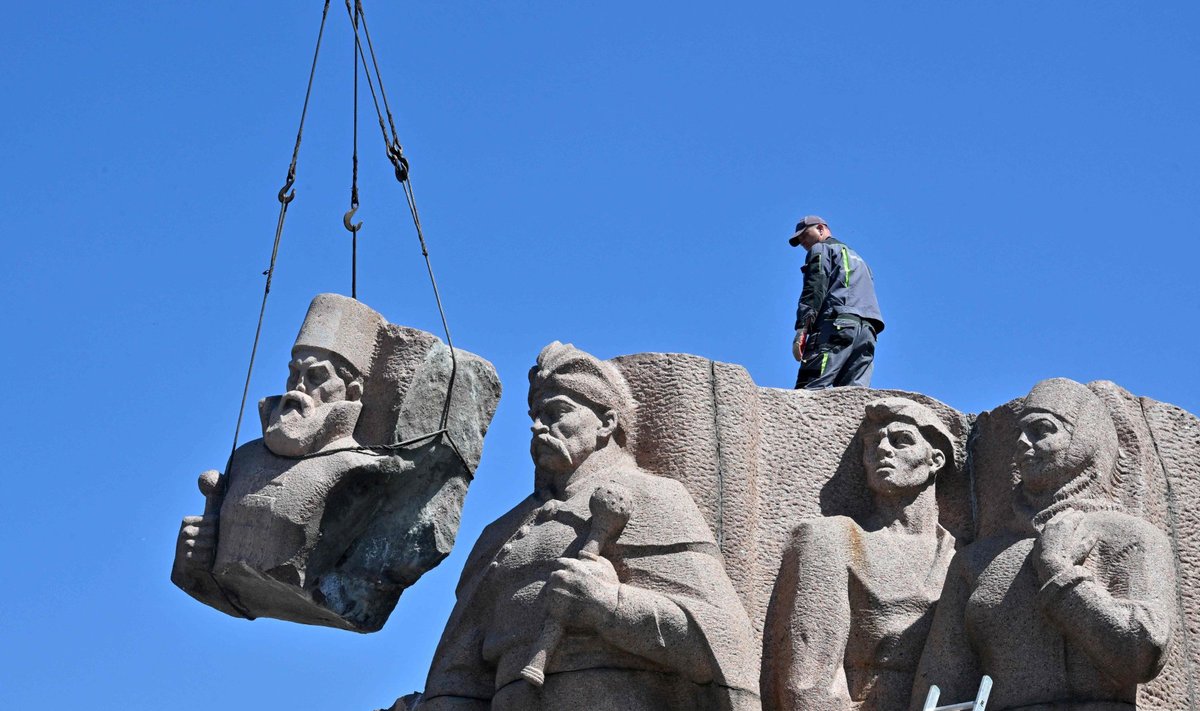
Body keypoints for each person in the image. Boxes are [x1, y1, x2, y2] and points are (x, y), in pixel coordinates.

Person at [414, 341, 761, 711]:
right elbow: (457, 679)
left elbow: (726, 641)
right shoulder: (499, 534)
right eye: (534, 415)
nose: (537, 426)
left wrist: (610, 606)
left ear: (607, 423)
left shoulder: (655, 497)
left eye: (556, 412)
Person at [910, 379, 1177, 710]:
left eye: (1042, 429)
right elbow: (937, 692)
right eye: (1020, 432)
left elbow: (1144, 653)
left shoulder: (1130, 537)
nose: (1022, 442)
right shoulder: (975, 560)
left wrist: (1059, 574)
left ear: (1086, 438)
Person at [762, 398, 957, 711]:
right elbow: (810, 682)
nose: (882, 450)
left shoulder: (960, 558)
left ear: (935, 460)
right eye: (872, 443)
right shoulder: (830, 539)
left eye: (901, 441)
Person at [789, 216, 884, 389]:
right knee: (853, 396)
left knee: (810, 388)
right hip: (868, 331)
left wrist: (802, 328)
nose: (802, 241)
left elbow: (815, 287)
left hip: (836, 326)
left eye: (804, 234)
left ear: (820, 228)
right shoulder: (859, 259)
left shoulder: (821, 249)